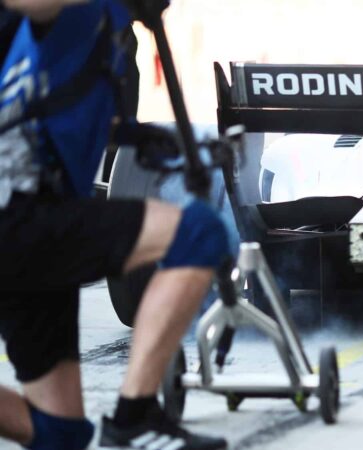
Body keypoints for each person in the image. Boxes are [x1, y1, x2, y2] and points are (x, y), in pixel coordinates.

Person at [0, 1, 228, 449]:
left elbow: (63, 113)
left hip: (45, 230)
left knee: (59, 434)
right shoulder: (52, 14)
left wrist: (136, 136)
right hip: (20, 215)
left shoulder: (115, 41)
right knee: (197, 232)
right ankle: (135, 418)